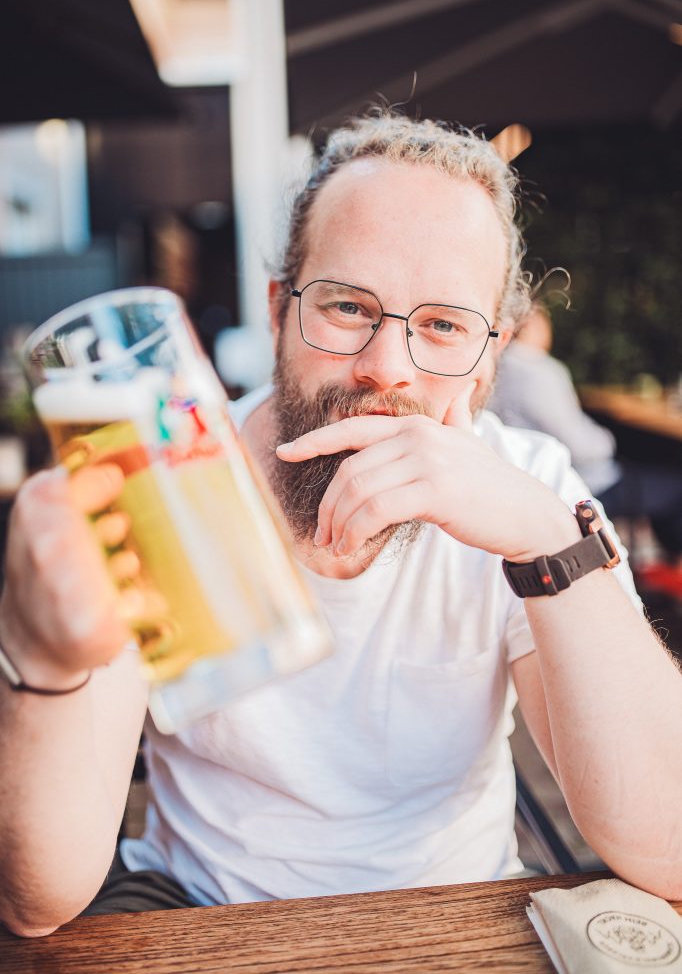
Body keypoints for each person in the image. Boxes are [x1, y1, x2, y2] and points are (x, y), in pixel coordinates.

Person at [1, 114, 681, 937]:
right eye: (348, 306)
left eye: (442, 326)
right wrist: (41, 666)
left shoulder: (531, 491)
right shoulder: (167, 485)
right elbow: (37, 904)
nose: (386, 367)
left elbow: (666, 847)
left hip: (451, 908)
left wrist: (548, 541)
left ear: (488, 354)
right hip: (198, 906)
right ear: (280, 309)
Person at [489, 306, 682, 562]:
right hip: (582, 486)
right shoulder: (541, 370)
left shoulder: (492, 366)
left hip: (525, 483)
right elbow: (582, 447)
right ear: (533, 325)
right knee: (675, 487)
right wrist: (610, 440)